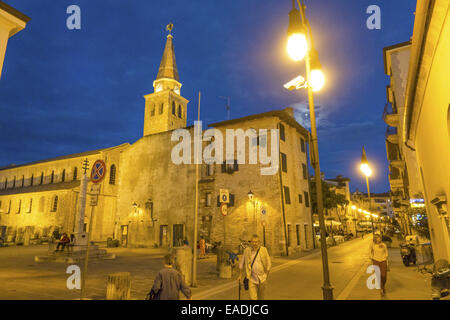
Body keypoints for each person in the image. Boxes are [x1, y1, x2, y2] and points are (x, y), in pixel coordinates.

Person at [239, 234, 271, 300]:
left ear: (259, 242)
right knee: (252, 298)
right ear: (250, 242)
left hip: (262, 279)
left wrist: (266, 274)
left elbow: (268, 263)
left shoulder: (264, 250)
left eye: (256, 242)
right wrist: (240, 275)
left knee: (261, 298)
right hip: (251, 279)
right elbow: (242, 263)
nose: (254, 243)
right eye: (253, 242)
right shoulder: (247, 251)